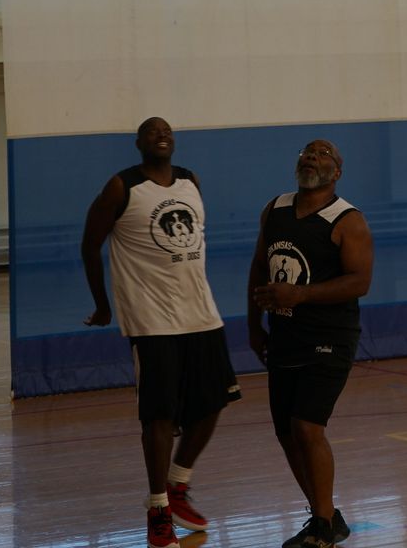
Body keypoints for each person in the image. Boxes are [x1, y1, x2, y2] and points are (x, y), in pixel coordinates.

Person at [82, 117, 241, 548]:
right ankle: (157, 510)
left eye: (166, 129)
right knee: (159, 415)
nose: (161, 134)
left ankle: (178, 485)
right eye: (151, 130)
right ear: (138, 143)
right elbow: (89, 244)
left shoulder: (191, 181)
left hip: (202, 314)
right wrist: (102, 304)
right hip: (152, 321)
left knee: (214, 404)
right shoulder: (122, 187)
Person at [249, 138, 375, 548]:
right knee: (287, 433)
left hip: (330, 338)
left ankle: (322, 527)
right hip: (285, 336)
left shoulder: (347, 219)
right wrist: (254, 325)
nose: (312, 157)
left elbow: (360, 282)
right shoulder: (276, 208)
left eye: (323, 154)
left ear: (336, 172)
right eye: (306, 151)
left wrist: (300, 295)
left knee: (307, 426)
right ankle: (326, 515)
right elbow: (258, 267)